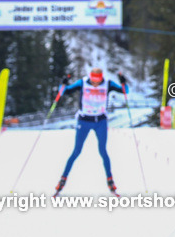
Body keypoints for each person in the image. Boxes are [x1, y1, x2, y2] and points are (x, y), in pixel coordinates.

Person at [54, 68, 129, 196]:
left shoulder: (108, 84)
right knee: (76, 151)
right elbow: (63, 92)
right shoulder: (82, 83)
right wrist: (64, 83)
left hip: (100, 121)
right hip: (84, 121)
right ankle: (62, 180)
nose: (95, 84)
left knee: (103, 151)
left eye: (97, 82)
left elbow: (125, 90)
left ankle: (110, 181)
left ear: (101, 78)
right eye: (93, 81)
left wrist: (123, 81)